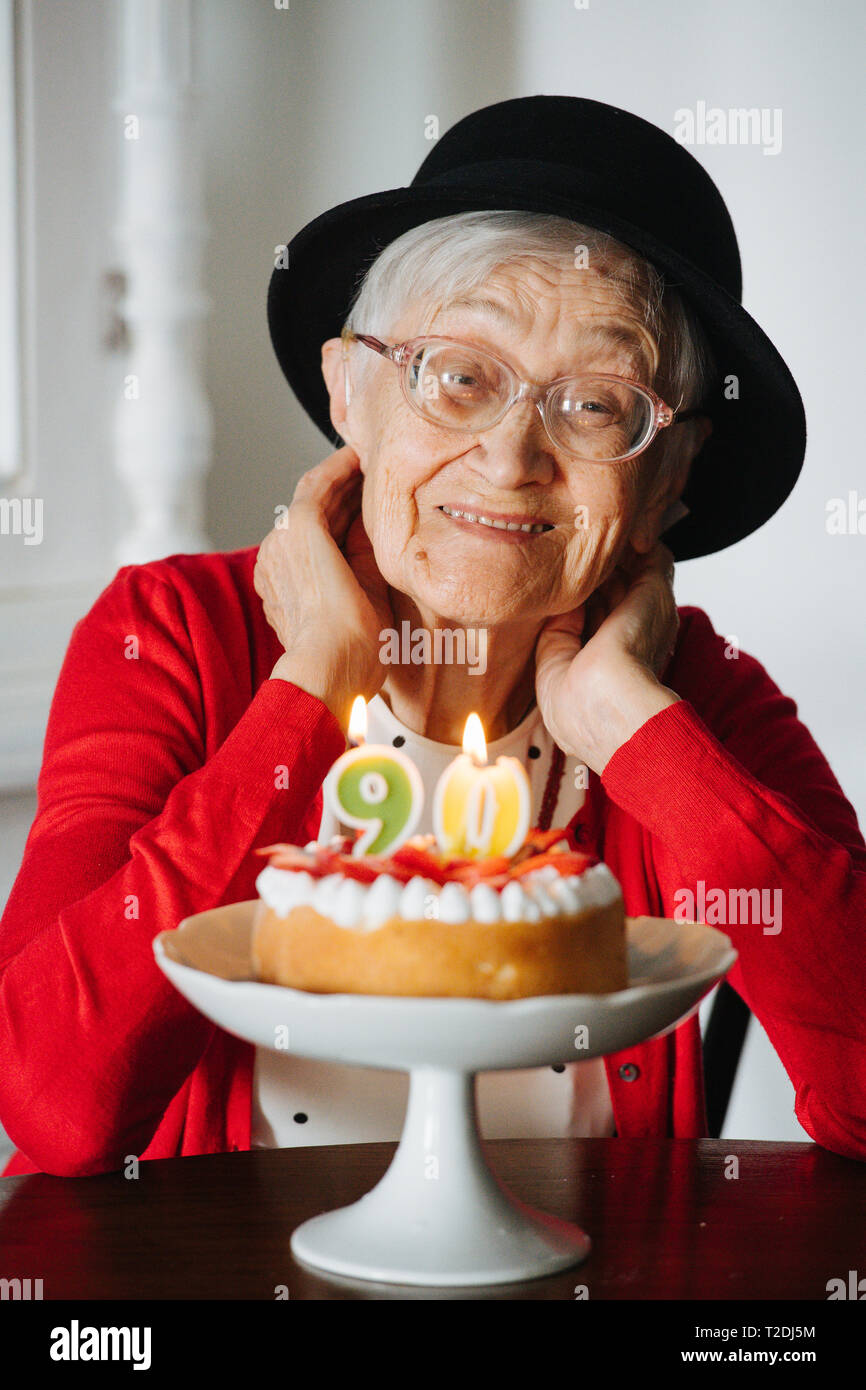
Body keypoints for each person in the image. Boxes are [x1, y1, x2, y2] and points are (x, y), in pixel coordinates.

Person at [2, 96, 864, 1179]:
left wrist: (631, 728)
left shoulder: (697, 694)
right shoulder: (168, 632)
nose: (511, 457)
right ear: (347, 392)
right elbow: (53, 1102)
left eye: (597, 404)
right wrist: (311, 685)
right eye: (458, 376)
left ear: (668, 479)